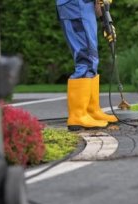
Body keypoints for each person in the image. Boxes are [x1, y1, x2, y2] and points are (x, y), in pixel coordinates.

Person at [55, 0, 117, 131]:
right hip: (76, 6)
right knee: (86, 59)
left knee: (91, 58)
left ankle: (91, 111)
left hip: (83, 6)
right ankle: (78, 115)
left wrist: (104, 18)